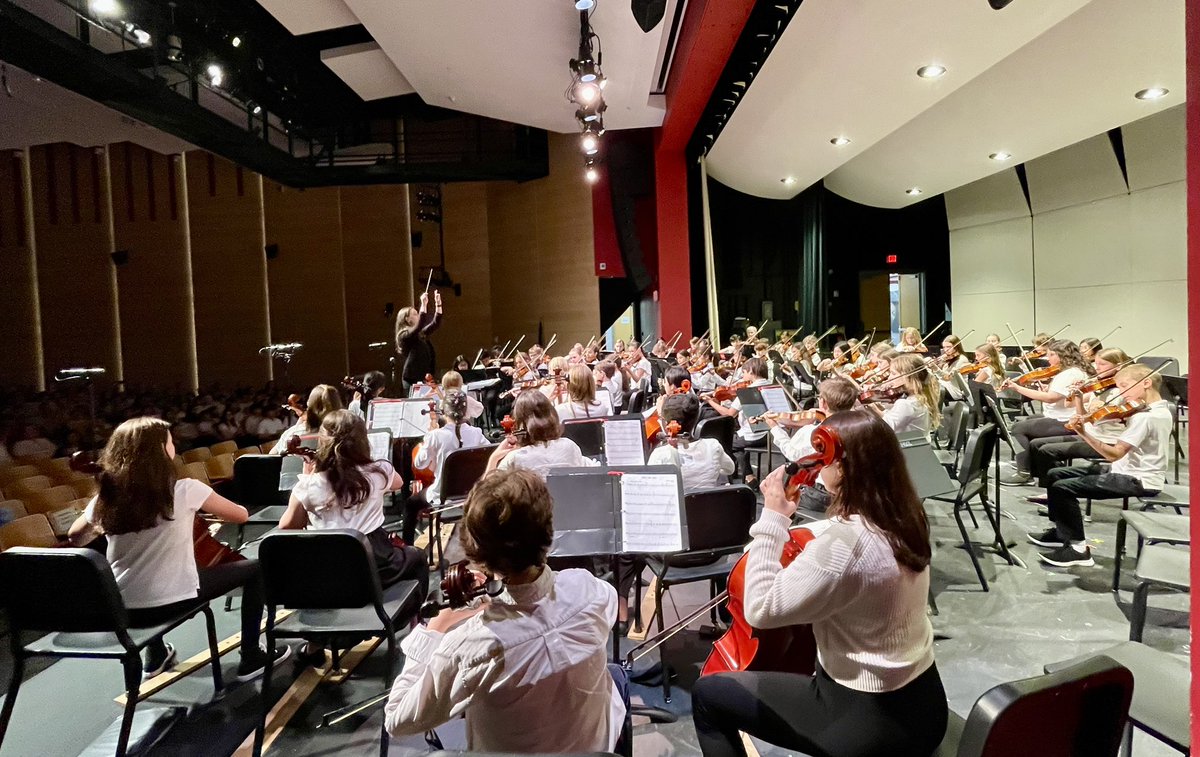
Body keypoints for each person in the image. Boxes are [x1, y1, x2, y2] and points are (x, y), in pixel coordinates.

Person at [691, 411, 947, 757]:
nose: (817, 464)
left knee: (709, 696)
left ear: (842, 469)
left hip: (867, 719)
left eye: (824, 458)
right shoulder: (906, 515)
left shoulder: (845, 545)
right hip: (924, 703)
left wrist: (773, 519)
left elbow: (760, 609)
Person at [384, 469, 624, 751]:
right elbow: (546, 624)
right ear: (548, 532)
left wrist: (433, 631)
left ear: (478, 556)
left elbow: (397, 719)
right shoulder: (590, 590)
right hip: (595, 749)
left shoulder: (470, 647)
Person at [67, 417, 288, 681]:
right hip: (174, 602)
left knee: (145, 577)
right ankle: (252, 656)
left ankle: (157, 655)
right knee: (256, 569)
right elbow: (240, 515)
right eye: (171, 442)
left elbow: (75, 537)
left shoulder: (107, 498)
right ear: (162, 450)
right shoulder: (185, 490)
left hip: (123, 610)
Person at [280, 410, 429, 665]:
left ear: (323, 442)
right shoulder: (379, 472)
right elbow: (398, 482)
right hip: (376, 564)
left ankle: (315, 646)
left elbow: (286, 528)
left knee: (331, 583)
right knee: (415, 557)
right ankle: (405, 626)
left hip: (326, 576)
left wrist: (310, 477)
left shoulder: (308, 485)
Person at [1027, 364, 1171, 567]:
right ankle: (1062, 531)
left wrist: (1083, 432)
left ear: (1146, 383)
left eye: (1124, 386)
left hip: (1139, 479)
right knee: (1054, 474)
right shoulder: (1160, 410)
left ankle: (1078, 549)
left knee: (1062, 488)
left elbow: (1113, 454)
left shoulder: (1145, 417)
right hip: (1126, 469)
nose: (1121, 393)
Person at [402, 391, 489, 546]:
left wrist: (427, 439)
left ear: (444, 412)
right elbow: (489, 453)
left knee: (410, 504)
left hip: (443, 496)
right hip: (471, 494)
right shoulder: (476, 433)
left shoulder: (435, 436)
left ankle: (407, 548)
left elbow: (419, 464)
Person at [999, 339, 1091, 485]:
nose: (1048, 359)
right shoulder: (1070, 371)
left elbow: (1050, 399)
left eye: (1052, 355)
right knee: (1026, 421)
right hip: (1059, 415)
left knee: (1018, 428)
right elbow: (1057, 395)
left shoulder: (1069, 374)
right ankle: (1033, 467)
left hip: (1065, 420)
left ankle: (1023, 473)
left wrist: (1017, 388)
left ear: (1063, 355)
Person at [486, 392, 597, 479]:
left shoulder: (515, 458)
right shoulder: (569, 446)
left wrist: (493, 458)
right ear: (552, 416)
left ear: (519, 424)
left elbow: (486, 495)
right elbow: (589, 469)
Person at [702, 358, 771, 487]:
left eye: (744, 372)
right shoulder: (772, 386)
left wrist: (710, 401)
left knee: (724, 442)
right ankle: (749, 477)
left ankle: (731, 476)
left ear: (751, 371)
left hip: (754, 435)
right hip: (770, 435)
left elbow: (729, 414)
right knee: (737, 443)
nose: (742, 376)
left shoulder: (747, 391)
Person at [647, 393, 734, 491]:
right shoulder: (713, 445)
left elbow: (651, 488)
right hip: (709, 505)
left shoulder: (660, 454)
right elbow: (730, 469)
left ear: (667, 423)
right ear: (697, 418)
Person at [766, 377, 857, 463]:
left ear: (824, 404)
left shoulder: (811, 432)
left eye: (820, 398)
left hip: (816, 476)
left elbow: (792, 454)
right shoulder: (857, 428)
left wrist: (775, 429)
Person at [865, 353, 941, 438]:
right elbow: (899, 419)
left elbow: (887, 426)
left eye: (893, 374)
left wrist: (875, 410)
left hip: (906, 449)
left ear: (909, 377)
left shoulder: (906, 404)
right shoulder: (919, 398)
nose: (889, 378)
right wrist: (883, 411)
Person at [396, 290, 444, 395]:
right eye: (415, 314)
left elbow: (435, 323)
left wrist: (438, 303)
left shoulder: (419, 333)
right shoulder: (404, 335)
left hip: (423, 376)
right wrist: (423, 304)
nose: (418, 315)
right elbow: (420, 324)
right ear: (407, 320)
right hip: (411, 379)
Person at [270, 385, 342, 453]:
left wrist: (296, 428)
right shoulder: (345, 433)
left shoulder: (293, 434)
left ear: (309, 406)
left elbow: (272, 456)